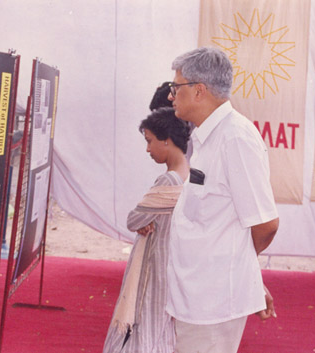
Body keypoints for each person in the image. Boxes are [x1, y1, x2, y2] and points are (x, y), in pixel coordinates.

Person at [165, 47, 279, 353]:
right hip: (197, 296)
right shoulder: (209, 136)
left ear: (199, 91)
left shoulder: (235, 138)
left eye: (176, 88)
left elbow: (266, 224)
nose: (170, 96)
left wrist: (241, 271)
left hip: (212, 301)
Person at [103, 107, 190, 352]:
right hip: (174, 266)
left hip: (155, 268)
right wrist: (145, 220)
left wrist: (144, 221)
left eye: (150, 141)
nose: (148, 149)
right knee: (162, 333)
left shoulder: (170, 180)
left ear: (167, 139)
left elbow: (134, 219)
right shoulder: (190, 176)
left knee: (142, 329)